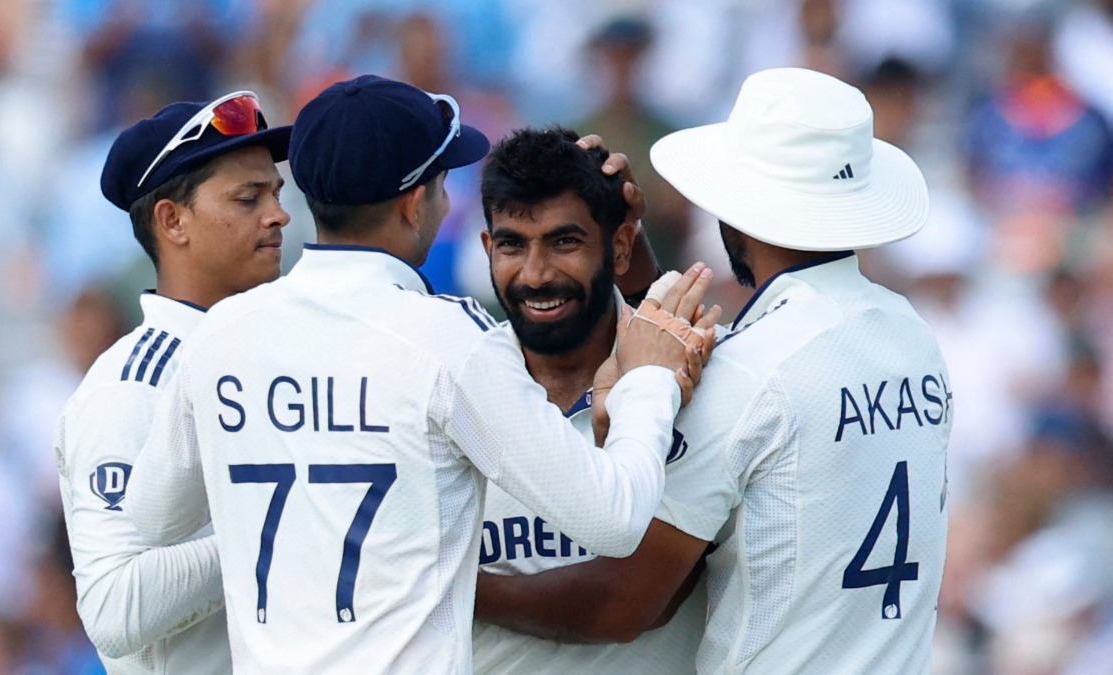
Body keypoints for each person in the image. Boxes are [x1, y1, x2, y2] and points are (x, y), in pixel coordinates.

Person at [122, 74, 716, 674]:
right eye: (441, 185)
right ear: (414, 203)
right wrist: (647, 378)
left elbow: (151, 519)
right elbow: (614, 519)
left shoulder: (221, 334)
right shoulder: (447, 339)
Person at [475, 67, 952, 674]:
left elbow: (621, 605)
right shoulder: (913, 335)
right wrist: (623, 250)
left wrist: (451, 582)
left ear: (737, 206)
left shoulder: (745, 373)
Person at [54, 90, 291, 673]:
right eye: (248, 198)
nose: (278, 215)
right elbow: (114, 609)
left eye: (276, 194)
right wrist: (283, 522)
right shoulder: (132, 387)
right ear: (172, 221)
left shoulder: (279, 351)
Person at [471, 126, 709, 674]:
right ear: (487, 247)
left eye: (565, 242)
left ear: (620, 246)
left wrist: (442, 583)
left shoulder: (689, 380)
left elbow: (628, 602)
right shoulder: (452, 385)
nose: (536, 275)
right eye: (512, 244)